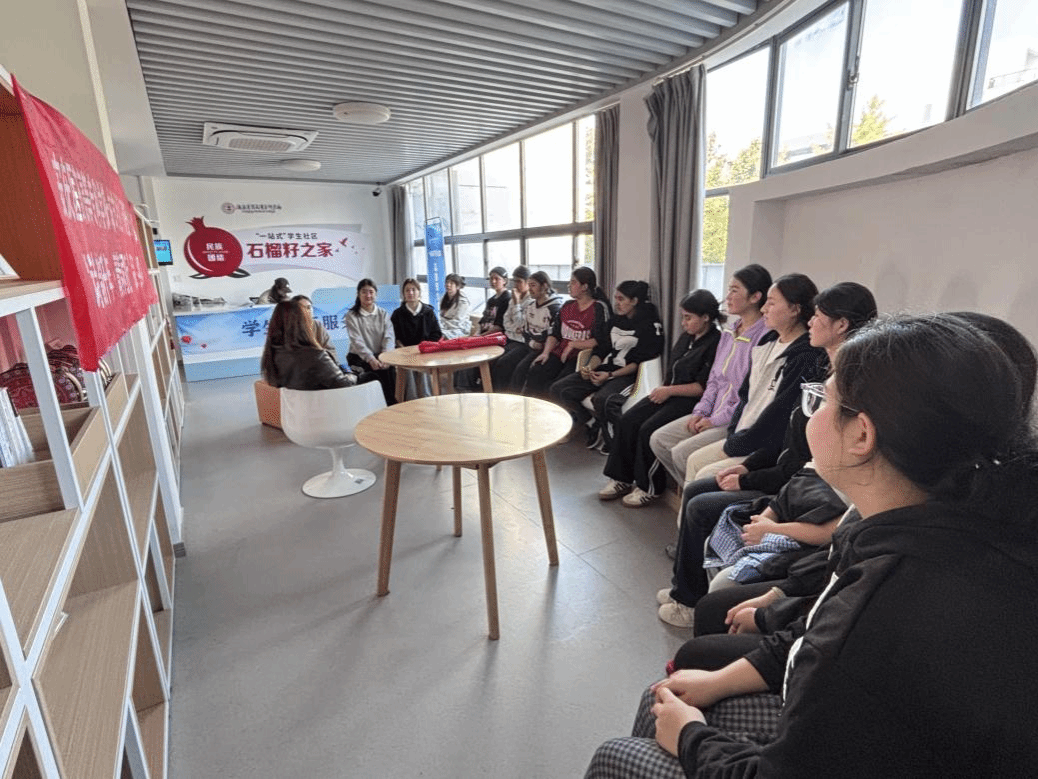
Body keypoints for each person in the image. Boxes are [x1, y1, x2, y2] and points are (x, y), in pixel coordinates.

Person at [584, 312, 1038, 777]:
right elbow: (815, 627)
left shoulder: (888, 603)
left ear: (862, 434)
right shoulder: (940, 525)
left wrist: (690, 737)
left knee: (615, 755)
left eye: (822, 399)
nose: (812, 412)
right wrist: (720, 682)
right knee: (667, 698)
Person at [662, 282, 878, 562]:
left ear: (841, 325)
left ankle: (692, 571)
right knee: (694, 485)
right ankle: (688, 565)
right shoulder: (807, 364)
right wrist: (748, 465)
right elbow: (775, 427)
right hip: (781, 470)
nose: (810, 322)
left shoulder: (835, 382)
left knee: (701, 500)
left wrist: (749, 477)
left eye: (817, 316)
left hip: (796, 485)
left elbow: (800, 462)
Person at [638, 264, 771, 508]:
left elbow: (748, 394)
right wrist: (701, 411)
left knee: (682, 453)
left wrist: (714, 419)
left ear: (755, 297)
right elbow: (714, 381)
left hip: (733, 419)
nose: (727, 297)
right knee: (659, 439)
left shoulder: (765, 337)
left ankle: (695, 500)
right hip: (712, 411)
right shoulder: (730, 332)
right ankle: (694, 496)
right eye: (728, 289)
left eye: (734, 290)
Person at [678, 273, 823, 484]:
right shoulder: (767, 342)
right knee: (692, 461)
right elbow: (745, 395)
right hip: (741, 432)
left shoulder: (805, 355)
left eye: (771, 303)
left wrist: (739, 442)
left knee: (702, 473)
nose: (764, 309)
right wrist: (733, 433)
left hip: (762, 445)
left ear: (794, 309)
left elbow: (778, 413)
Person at [598, 290, 722, 501]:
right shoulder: (687, 338)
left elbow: (702, 387)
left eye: (688, 318)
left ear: (706, 318)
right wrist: (663, 390)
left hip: (691, 400)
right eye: (683, 317)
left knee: (648, 429)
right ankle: (621, 478)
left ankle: (649, 487)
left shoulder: (715, 343)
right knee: (628, 420)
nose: (683, 323)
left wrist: (668, 391)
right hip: (669, 392)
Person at [549, 280, 665, 452]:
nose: (616, 303)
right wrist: (590, 367)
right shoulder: (614, 321)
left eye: (621, 299)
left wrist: (610, 376)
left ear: (634, 301)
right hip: (605, 369)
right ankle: (590, 422)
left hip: (628, 375)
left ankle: (614, 441)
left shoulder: (648, 325)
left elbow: (638, 363)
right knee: (558, 389)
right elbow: (601, 349)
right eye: (615, 298)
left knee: (604, 399)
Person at [522, 266, 610, 397]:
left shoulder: (598, 308)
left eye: (573, 282)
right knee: (536, 371)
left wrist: (573, 344)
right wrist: (545, 353)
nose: (569, 285)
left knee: (554, 386)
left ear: (584, 287)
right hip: (560, 353)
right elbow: (554, 334)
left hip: (580, 358)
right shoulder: (568, 305)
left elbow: (600, 340)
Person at [260, 300, 357, 390]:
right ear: (303, 323)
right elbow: (345, 384)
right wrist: (350, 373)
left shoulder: (272, 354)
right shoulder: (316, 355)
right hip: (322, 401)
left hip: (291, 402)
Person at [508, 271, 564, 393]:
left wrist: (535, 342)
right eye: (529, 285)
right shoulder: (530, 306)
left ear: (544, 286)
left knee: (521, 370)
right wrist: (531, 342)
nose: (530, 289)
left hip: (545, 349)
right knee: (507, 362)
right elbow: (525, 330)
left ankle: (521, 399)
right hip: (530, 345)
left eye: (533, 285)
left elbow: (552, 335)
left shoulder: (554, 308)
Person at [345, 279, 396, 406]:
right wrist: (370, 359)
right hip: (359, 358)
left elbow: (389, 337)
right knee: (373, 376)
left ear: (376, 294)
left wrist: (385, 357)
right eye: (364, 292)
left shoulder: (383, 314)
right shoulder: (351, 316)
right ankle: (378, 408)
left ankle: (391, 406)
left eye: (371, 292)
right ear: (358, 294)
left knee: (390, 372)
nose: (368, 295)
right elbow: (357, 341)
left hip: (381, 356)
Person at [390, 278, 442, 399]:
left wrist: (424, 348)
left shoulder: (428, 312)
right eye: (407, 290)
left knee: (423, 368)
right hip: (405, 353)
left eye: (413, 290)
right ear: (403, 294)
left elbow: (436, 334)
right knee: (407, 368)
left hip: (424, 352)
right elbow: (393, 336)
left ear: (419, 292)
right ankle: (411, 400)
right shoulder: (397, 314)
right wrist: (404, 349)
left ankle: (427, 398)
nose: (411, 293)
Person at [490, 266, 532, 390]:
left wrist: (517, 303)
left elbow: (521, 324)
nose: (516, 285)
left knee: (503, 363)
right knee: (492, 358)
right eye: (514, 281)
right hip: (511, 338)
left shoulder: (531, 301)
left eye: (519, 281)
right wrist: (515, 328)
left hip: (523, 343)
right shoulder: (513, 299)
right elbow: (506, 322)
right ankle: (489, 390)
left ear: (528, 282)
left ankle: (502, 394)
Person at [291, 294, 338, 364]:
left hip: (321, 365)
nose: (308, 310)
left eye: (309, 307)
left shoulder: (317, 325)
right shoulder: (289, 328)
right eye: (302, 308)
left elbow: (331, 350)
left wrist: (320, 354)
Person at [473, 266, 511, 335]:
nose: (493, 281)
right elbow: (483, 320)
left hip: (495, 336)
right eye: (491, 279)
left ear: (504, 281)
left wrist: (481, 336)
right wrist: (476, 334)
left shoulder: (507, 299)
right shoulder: (491, 300)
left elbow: (499, 327)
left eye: (497, 279)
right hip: (484, 334)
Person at [439, 273, 470, 340]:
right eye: (447, 282)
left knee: (439, 335)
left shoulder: (463, 301)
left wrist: (443, 325)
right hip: (446, 328)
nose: (448, 285)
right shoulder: (443, 298)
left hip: (459, 329)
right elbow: (441, 317)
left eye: (451, 283)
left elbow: (458, 323)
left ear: (458, 286)